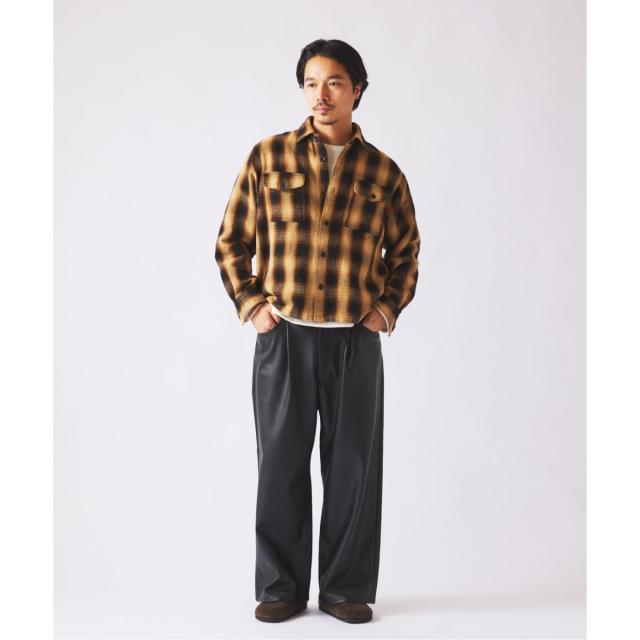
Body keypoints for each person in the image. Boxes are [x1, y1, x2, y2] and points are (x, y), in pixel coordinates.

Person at [215, 38, 421, 624]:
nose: (320, 94)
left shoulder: (383, 172)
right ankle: (280, 588)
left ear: (357, 90)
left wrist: (385, 310)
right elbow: (231, 241)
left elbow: (406, 252)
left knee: (353, 466)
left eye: (333, 82)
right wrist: (253, 305)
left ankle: (344, 589)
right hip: (284, 338)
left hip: (354, 341)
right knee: (280, 463)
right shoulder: (268, 157)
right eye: (310, 83)